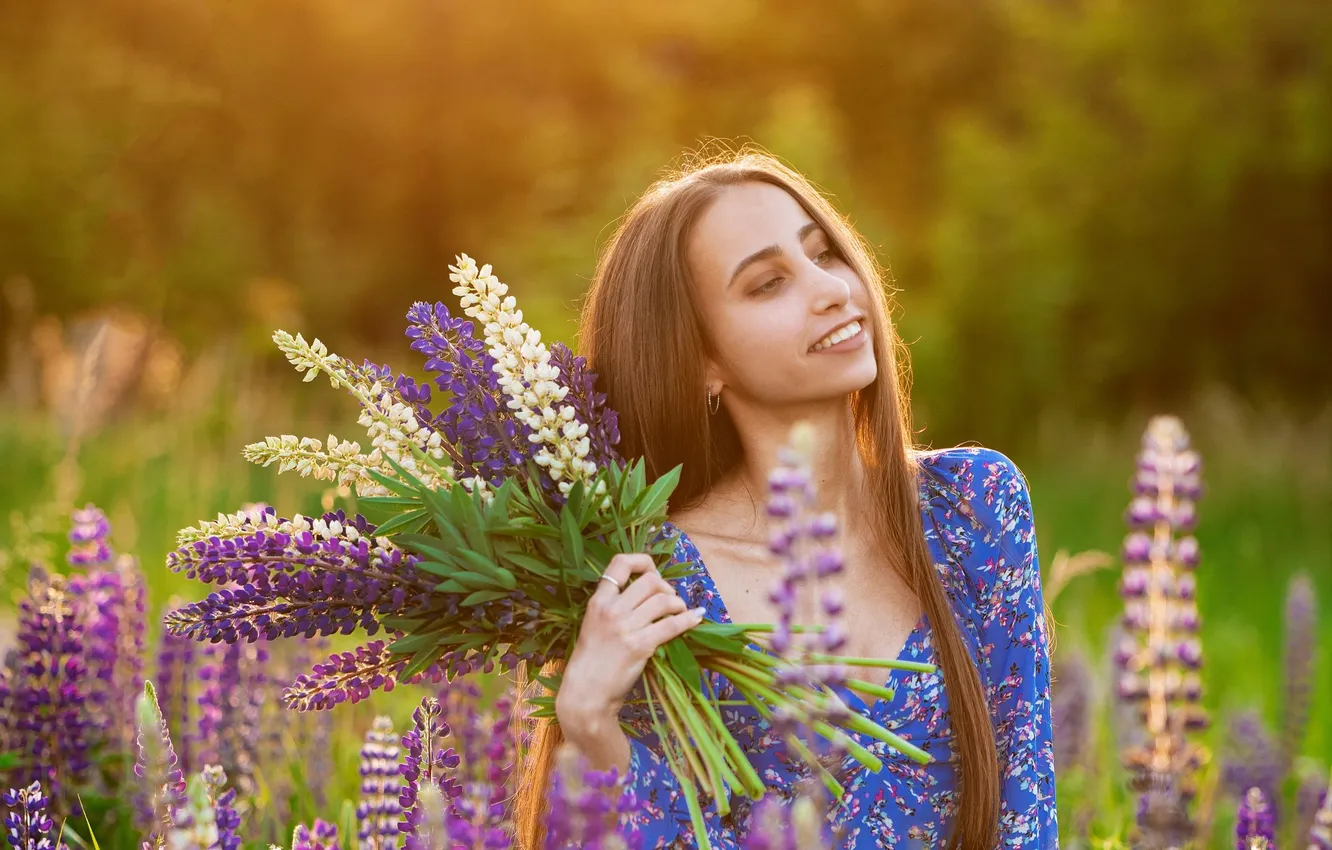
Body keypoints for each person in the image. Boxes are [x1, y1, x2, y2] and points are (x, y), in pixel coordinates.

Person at [512, 146, 1057, 849]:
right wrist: (590, 725)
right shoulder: (665, 579)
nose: (831, 289)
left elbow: (1026, 811)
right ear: (702, 359)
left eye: (823, 253)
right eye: (768, 283)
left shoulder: (975, 505)